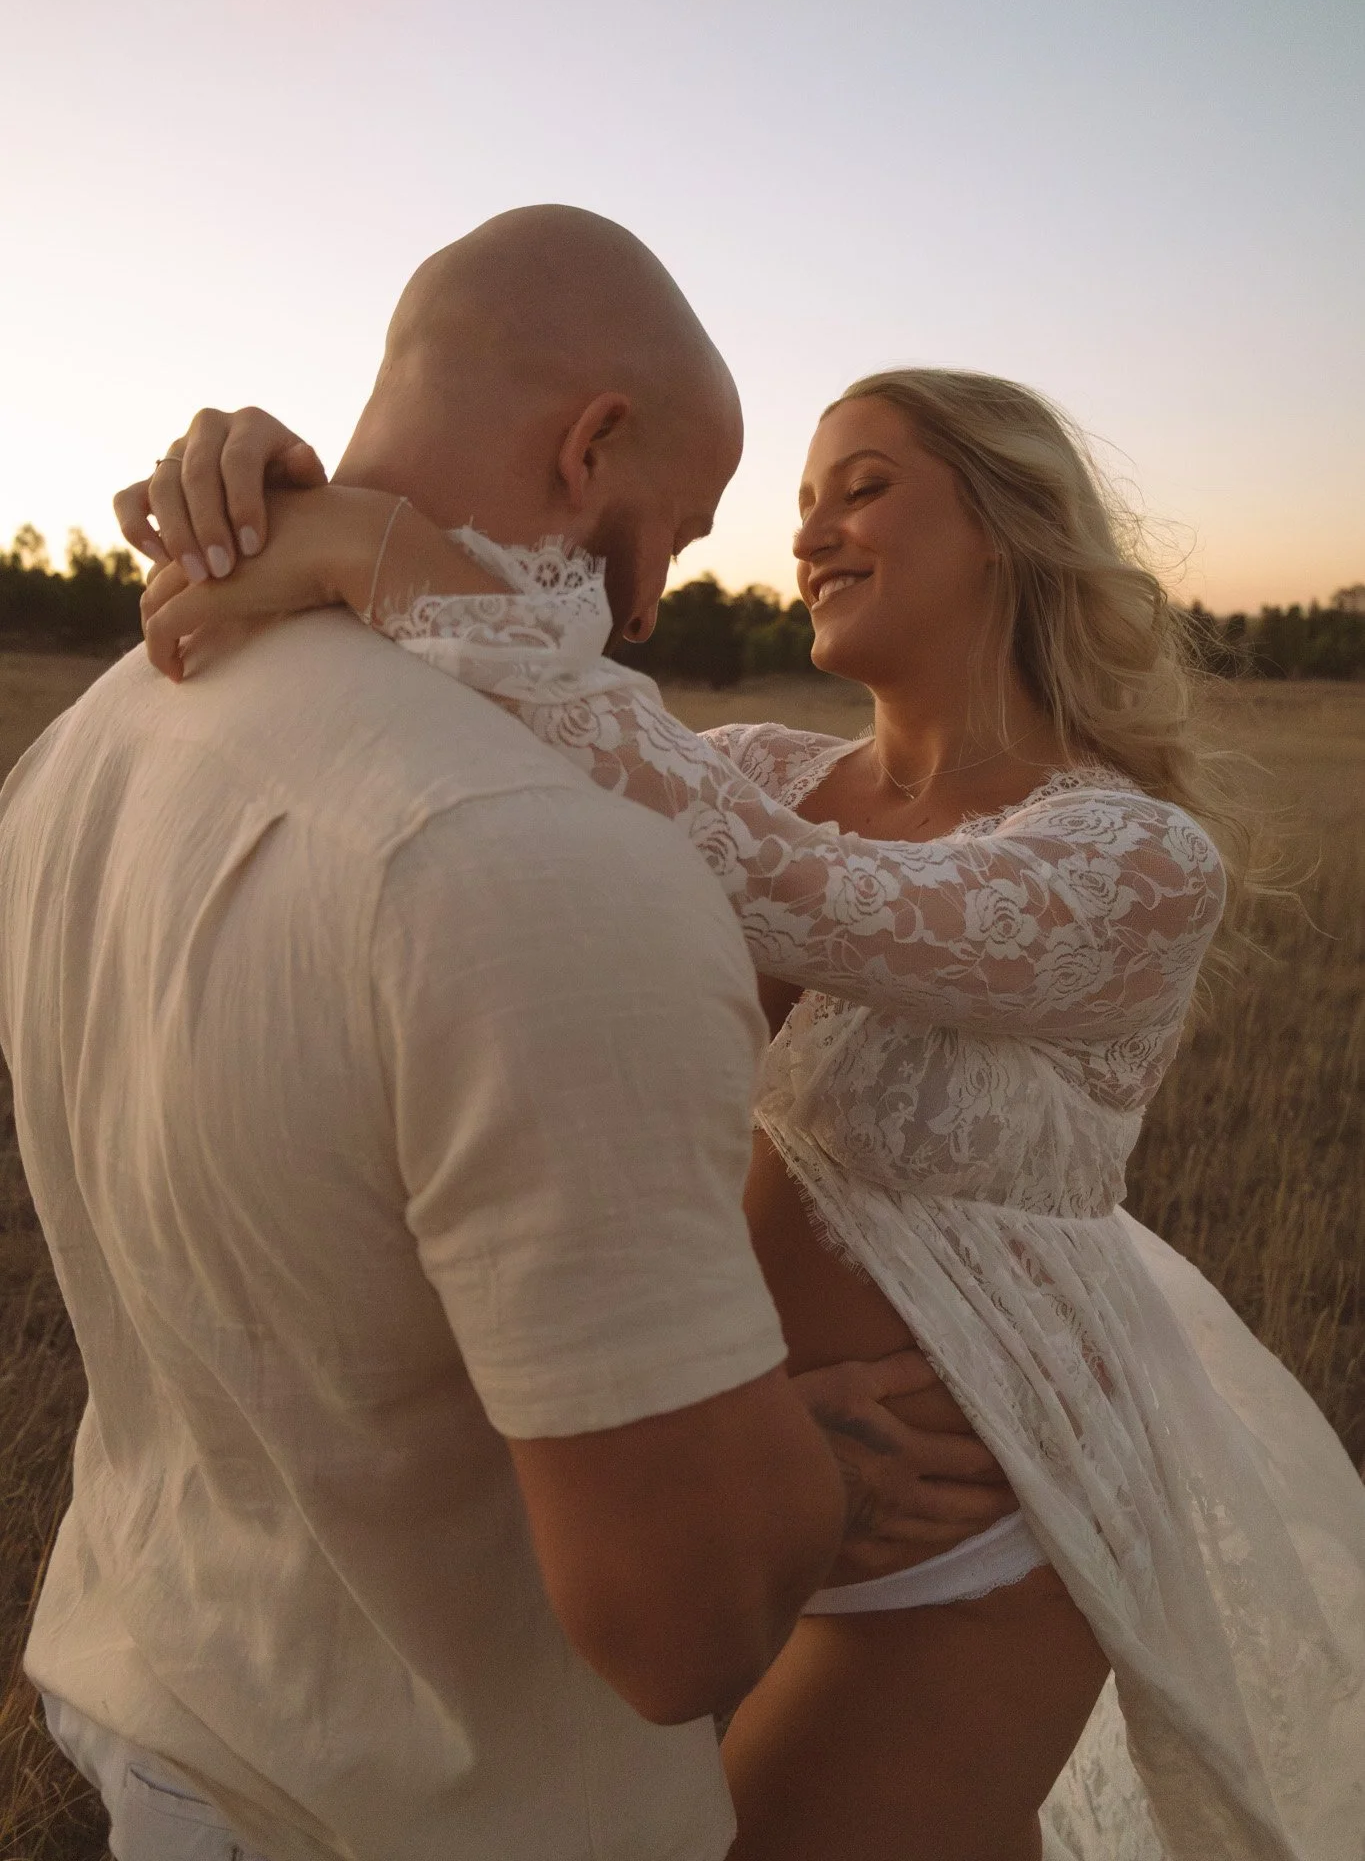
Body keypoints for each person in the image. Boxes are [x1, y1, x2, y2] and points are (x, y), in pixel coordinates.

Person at [133, 353, 1365, 1859]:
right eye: (802, 500)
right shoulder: (756, 769)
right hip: (733, 1502)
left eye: (865, 488)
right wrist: (293, 500)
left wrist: (387, 551)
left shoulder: (1137, 862)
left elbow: (797, 893)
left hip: (976, 1532)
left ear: (1010, 529)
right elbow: (487, 745)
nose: (809, 532)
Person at [0, 207, 1013, 1861]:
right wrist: (819, 1475)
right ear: (590, 444)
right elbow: (683, 1625)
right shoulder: (550, 872)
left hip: (166, 1704)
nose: (649, 606)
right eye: (668, 531)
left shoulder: (101, 730)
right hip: (415, 1815)